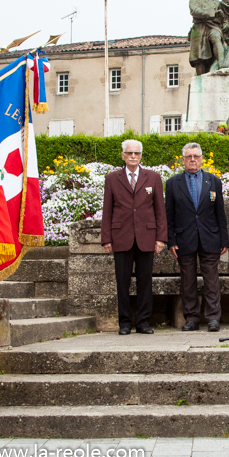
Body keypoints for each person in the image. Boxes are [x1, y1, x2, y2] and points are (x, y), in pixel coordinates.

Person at [101, 139, 168, 335]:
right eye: (129, 153)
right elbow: (107, 210)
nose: (133, 156)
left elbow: (159, 210)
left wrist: (160, 238)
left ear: (141, 156)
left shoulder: (153, 177)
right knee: (122, 282)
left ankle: (143, 322)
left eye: (136, 153)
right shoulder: (112, 178)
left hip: (146, 237)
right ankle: (124, 323)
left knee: (145, 281)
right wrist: (106, 238)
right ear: (123, 155)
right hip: (121, 236)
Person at [165, 142, 229, 332]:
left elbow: (220, 213)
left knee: (211, 280)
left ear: (201, 159)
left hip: (210, 238)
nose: (192, 160)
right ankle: (191, 318)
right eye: (188, 156)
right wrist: (171, 240)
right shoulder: (172, 183)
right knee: (187, 281)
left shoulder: (213, 181)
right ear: (183, 160)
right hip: (184, 239)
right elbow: (168, 215)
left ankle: (213, 318)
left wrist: (224, 239)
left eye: (196, 156)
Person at [188, 0, 227, 75]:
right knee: (200, 58)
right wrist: (213, 13)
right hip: (200, 28)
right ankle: (200, 78)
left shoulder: (217, 2)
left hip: (214, 26)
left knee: (216, 37)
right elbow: (195, 11)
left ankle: (222, 64)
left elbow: (225, 17)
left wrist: (224, 21)